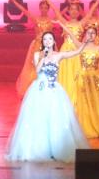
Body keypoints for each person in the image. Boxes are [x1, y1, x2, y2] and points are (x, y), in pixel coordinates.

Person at [6, 32, 91, 162]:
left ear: (54, 41)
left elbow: (77, 52)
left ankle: (56, 149)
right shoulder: (37, 54)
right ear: (42, 42)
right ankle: (39, 149)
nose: (47, 41)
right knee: (39, 118)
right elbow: (37, 70)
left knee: (55, 118)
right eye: (45, 39)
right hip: (40, 89)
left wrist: (85, 43)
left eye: (50, 38)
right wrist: (44, 57)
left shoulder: (59, 55)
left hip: (54, 90)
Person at [64, 22, 99, 139]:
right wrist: (60, 24)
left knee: (97, 103)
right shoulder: (80, 46)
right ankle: (84, 126)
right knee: (83, 102)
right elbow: (71, 34)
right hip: (83, 79)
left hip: (95, 80)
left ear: (96, 35)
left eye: (93, 33)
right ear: (85, 34)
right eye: (89, 33)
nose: (91, 35)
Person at [7, 0, 58, 96]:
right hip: (38, 46)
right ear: (39, 8)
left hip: (49, 46)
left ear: (48, 9)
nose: (44, 9)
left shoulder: (52, 20)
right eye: (42, 7)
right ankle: (35, 88)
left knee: (48, 66)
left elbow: (59, 12)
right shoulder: (36, 19)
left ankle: (48, 87)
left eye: (46, 8)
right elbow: (24, 10)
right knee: (35, 67)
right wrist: (14, 1)